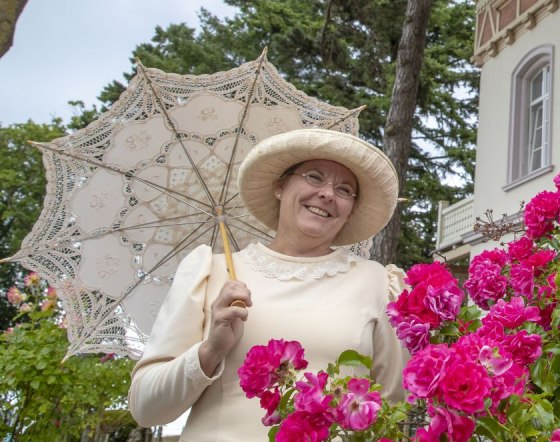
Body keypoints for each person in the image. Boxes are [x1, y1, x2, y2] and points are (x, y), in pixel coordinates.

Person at [129, 128, 408, 439]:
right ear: (280, 186)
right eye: (314, 177)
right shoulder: (213, 272)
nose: (328, 194)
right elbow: (146, 408)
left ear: (351, 209)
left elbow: (390, 407)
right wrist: (209, 351)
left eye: (344, 190)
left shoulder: (378, 283)